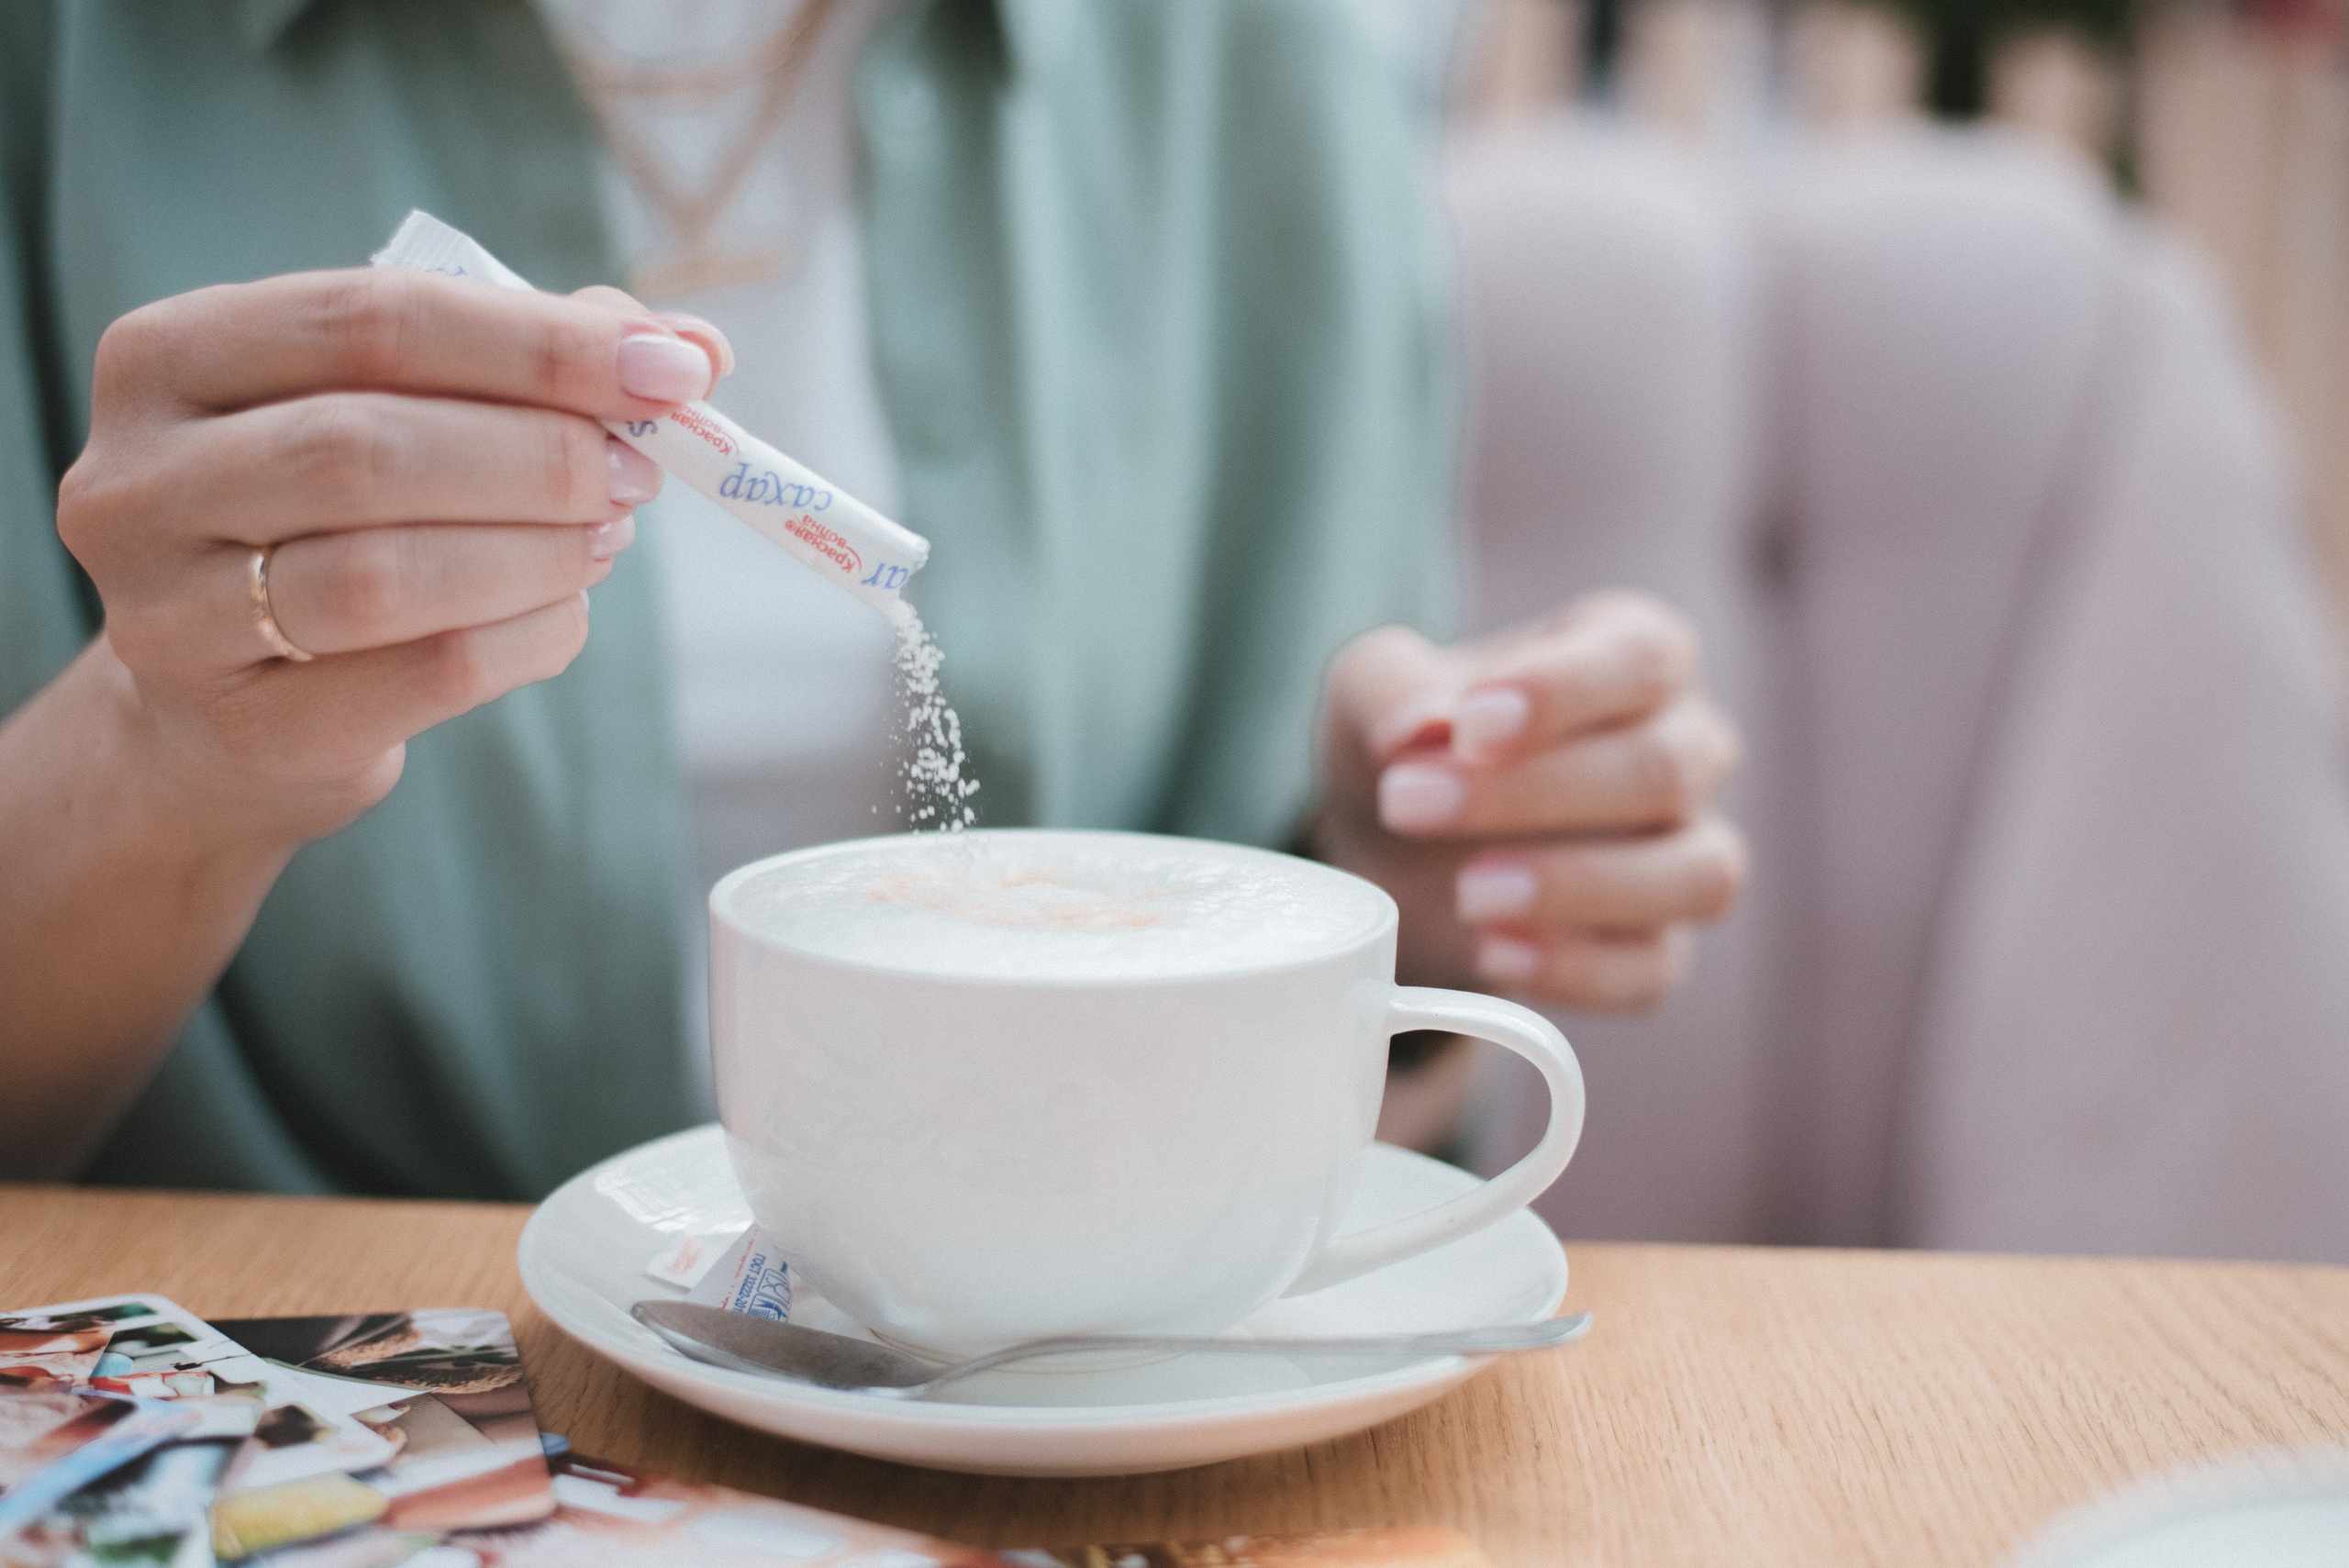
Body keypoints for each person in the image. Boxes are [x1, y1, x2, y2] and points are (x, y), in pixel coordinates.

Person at [0, 0, 1743, 1195]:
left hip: (1053, 1412)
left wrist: (1404, 913)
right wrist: (171, 750)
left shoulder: (1238, 62)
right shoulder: (72, 69)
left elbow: (1330, 1119)